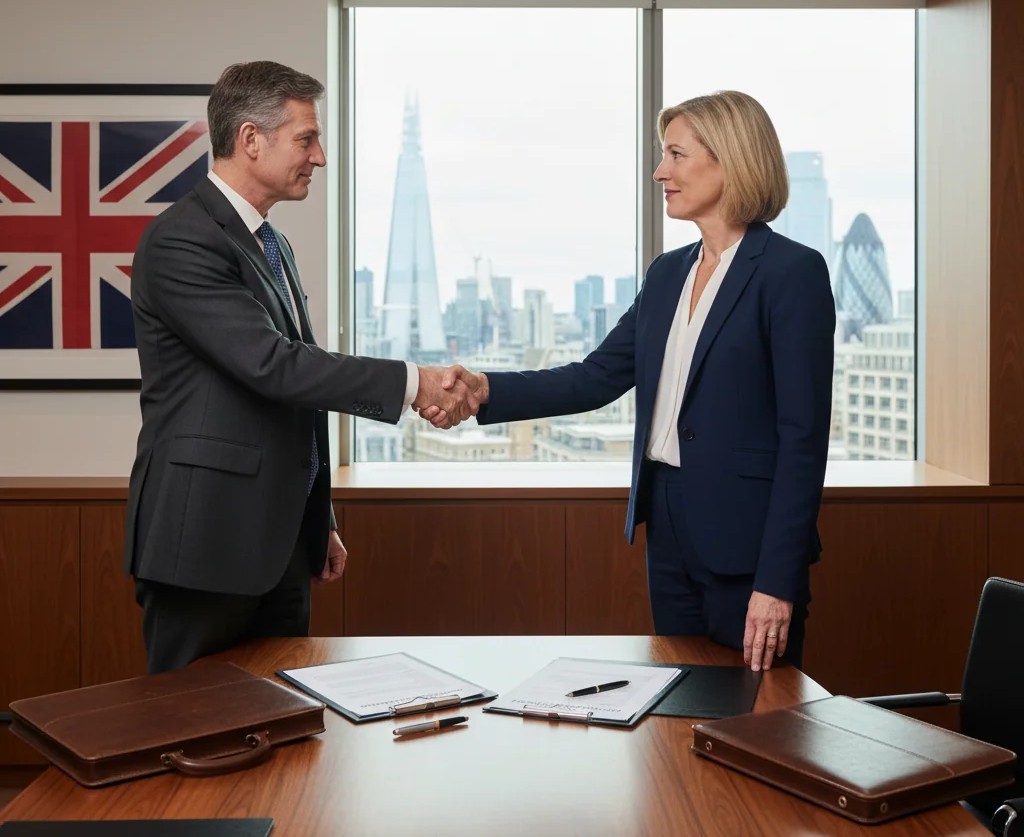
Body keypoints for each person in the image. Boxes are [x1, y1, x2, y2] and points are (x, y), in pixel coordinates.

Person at [423, 91, 835, 671]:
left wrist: (777, 580)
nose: (659, 171)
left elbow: (803, 439)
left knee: (758, 723)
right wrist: (484, 389)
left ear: (730, 160)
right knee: (681, 710)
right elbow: (595, 377)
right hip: (667, 523)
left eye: (675, 154)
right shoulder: (668, 274)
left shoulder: (793, 273)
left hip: (749, 540)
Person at [126, 61, 478, 673]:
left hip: (281, 544)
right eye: (306, 139)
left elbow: (296, 397)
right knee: (192, 733)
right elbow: (274, 366)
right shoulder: (181, 239)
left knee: (281, 729)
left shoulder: (272, 243)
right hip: (205, 541)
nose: (319, 157)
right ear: (250, 141)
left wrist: (318, 522)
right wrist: (414, 382)